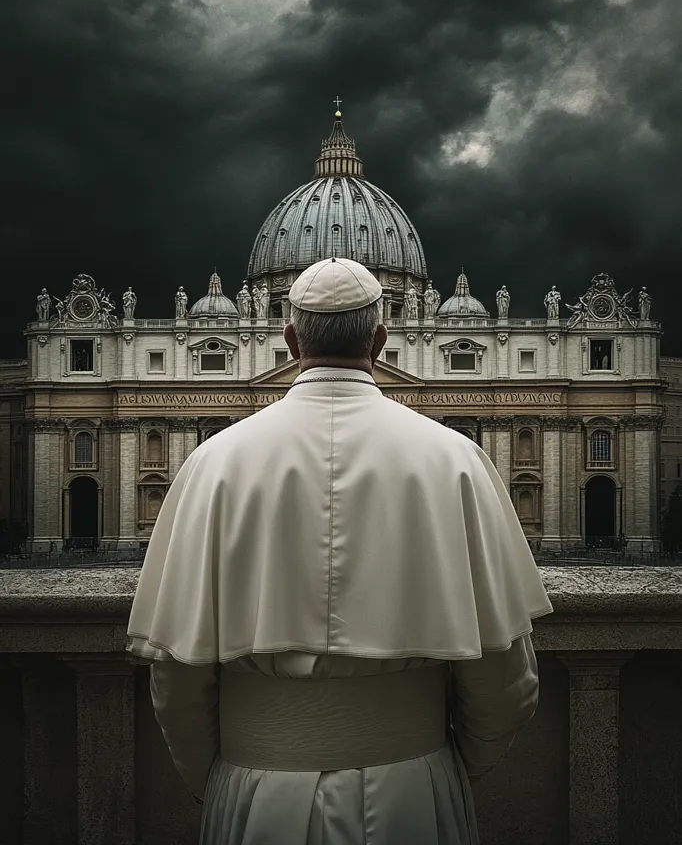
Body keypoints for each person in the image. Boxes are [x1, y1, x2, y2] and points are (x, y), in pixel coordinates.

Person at [126, 256, 553, 845]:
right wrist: (440, 771)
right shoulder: (457, 459)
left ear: (289, 336)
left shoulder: (210, 464)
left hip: (255, 790)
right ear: (382, 338)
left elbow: (176, 682)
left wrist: (226, 779)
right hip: (414, 786)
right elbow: (505, 680)